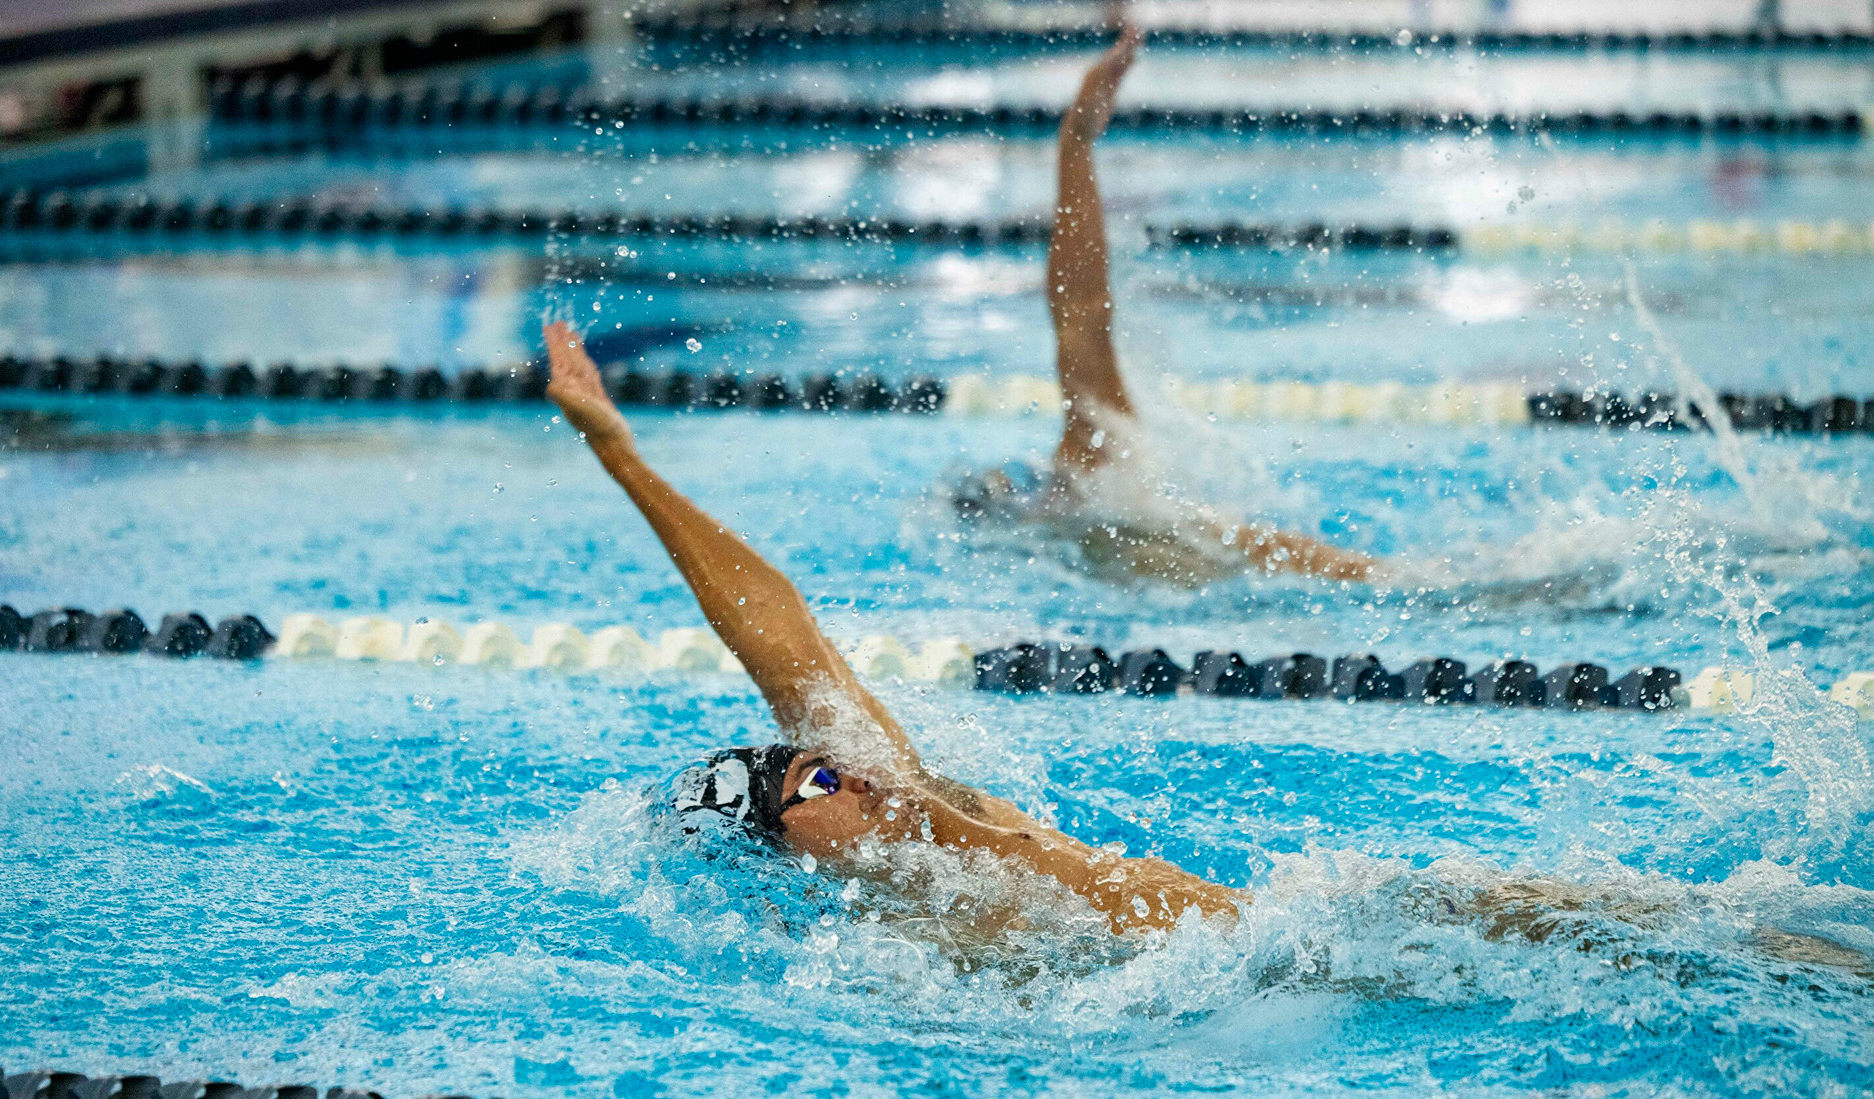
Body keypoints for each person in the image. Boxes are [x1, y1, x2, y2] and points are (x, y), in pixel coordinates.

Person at [541, 318, 1241, 935]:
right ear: (777, 856)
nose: (844, 774)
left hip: (1257, 929)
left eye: (822, 764)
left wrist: (622, 459)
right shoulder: (905, 944)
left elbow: (781, 637)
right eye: (813, 784)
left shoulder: (915, 800)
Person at [953, 24, 1379, 587]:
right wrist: (1074, 141)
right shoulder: (1097, 490)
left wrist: (1076, 143)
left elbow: (1082, 305)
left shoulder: (1094, 463)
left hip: (1308, 582)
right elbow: (1078, 310)